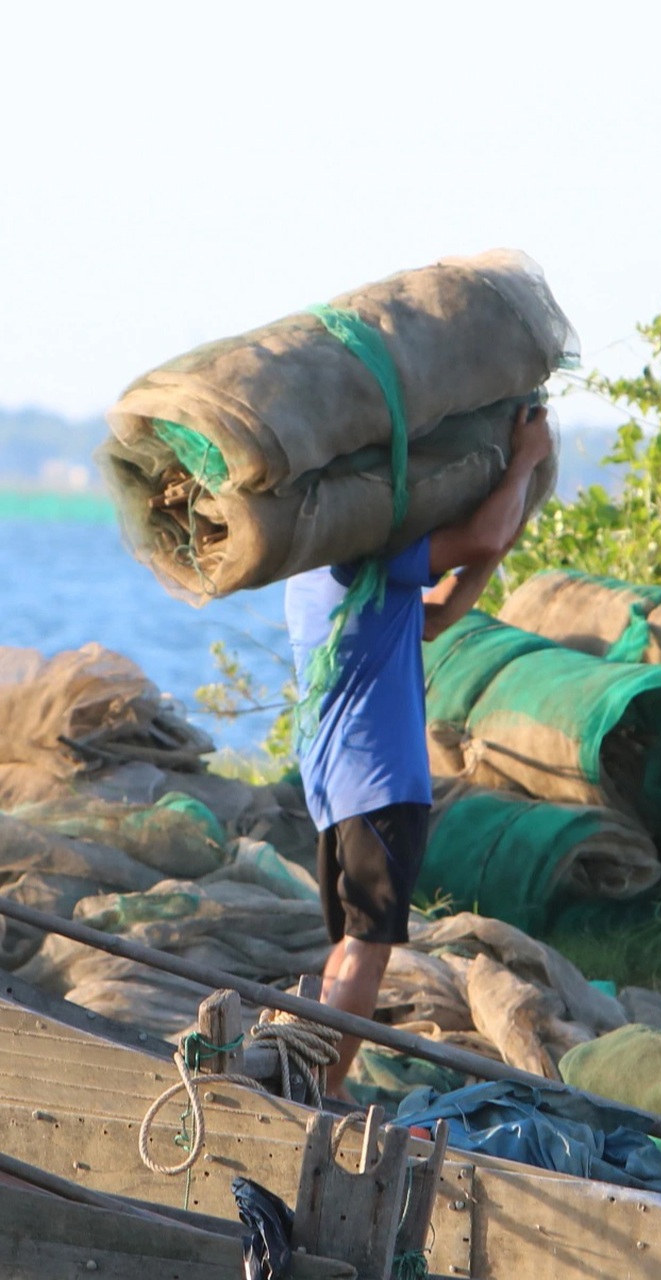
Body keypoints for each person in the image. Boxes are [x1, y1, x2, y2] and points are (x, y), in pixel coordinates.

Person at [284, 403, 553, 1098]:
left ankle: (317, 1077)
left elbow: (434, 616)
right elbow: (481, 534)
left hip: (335, 786)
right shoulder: (360, 557)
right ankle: (322, 1089)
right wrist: (524, 459)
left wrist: (486, 553)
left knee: (349, 942)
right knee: (368, 951)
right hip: (380, 781)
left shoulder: (313, 574)